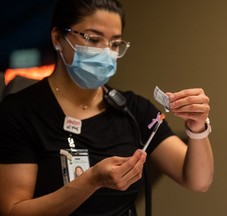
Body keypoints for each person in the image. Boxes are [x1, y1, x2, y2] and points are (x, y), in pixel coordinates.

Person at [0, 0, 214, 215]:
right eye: (93, 39)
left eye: (114, 44)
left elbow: (198, 180)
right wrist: (91, 181)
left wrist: (197, 127)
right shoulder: (20, 112)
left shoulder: (132, 110)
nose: (105, 52)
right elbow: (13, 210)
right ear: (58, 38)